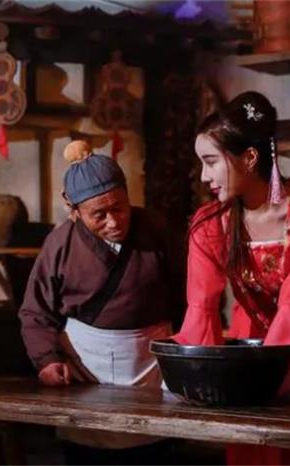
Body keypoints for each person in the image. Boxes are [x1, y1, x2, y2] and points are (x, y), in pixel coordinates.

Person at [173, 91, 290, 465]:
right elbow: (201, 305)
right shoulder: (210, 224)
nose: (204, 176)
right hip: (253, 335)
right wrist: (195, 380)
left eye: (211, 162)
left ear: (249, 158)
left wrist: (264, 371)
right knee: (254, 451)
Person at [18, 140, 184, 463]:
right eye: (99, 214)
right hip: (85, 367)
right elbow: (35, 312)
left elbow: (187, 294)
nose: (114, 221)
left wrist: (183, 352)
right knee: (88, 451)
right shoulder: (59, 244)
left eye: (119, 208)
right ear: (74, 211)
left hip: (149, 364)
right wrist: (47, 360)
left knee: (150, 448)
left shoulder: (156, 229)